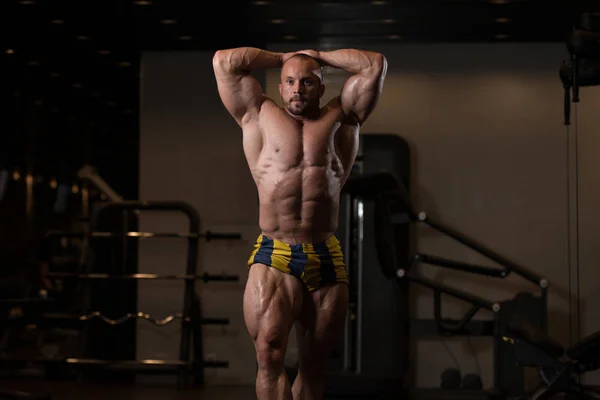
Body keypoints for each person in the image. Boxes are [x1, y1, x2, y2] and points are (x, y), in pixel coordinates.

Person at [212, 47, 387, 400]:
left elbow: (375, 64)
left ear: (321, 88)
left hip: (325, 254)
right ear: (280, 87)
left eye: (308, 81)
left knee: (315, 363)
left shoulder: (343, 117)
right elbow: (224, 62)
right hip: (275, 253)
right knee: (269, 353)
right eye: (290, 82)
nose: (298, 89)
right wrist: (285, 57)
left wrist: (316, 55)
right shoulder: (257, 114)